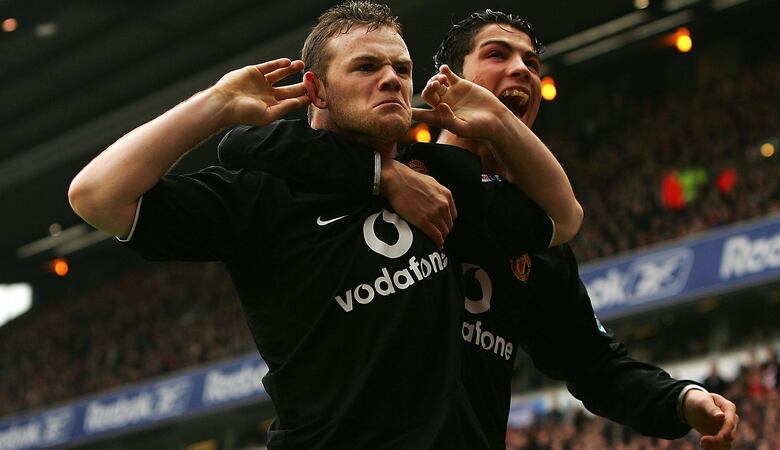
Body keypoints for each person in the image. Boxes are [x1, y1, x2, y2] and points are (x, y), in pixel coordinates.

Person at [68, 2, 582, 449]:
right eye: (366, 66)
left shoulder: (440, 180)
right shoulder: (264, 197)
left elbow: (562, 218)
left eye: (401, 68)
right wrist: (218, 104)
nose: (391, 79)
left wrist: (497, 121)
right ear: (315, 89)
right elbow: (96, 195)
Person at [220, 8, 740, 450]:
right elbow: (248, 145)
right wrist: (384, 174)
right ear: (448, 79)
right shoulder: (391, 163)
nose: (522, 71)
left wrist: (681, 400)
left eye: (532, 63)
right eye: (497, 55)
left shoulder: (535, 233)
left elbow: (593, 363)